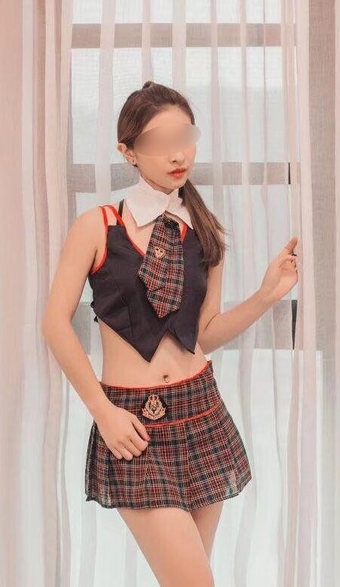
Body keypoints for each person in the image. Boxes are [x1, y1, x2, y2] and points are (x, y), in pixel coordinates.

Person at [42, 81, 299, 586]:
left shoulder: (204, 229)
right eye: (160, 142)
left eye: (184, 137)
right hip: (132, 423)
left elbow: (203, 334)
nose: (178, 154)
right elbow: (55, 324)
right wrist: (102, 411)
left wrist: (266, 296)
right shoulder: (97, 226)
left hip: (201, 410)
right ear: (128, 152)